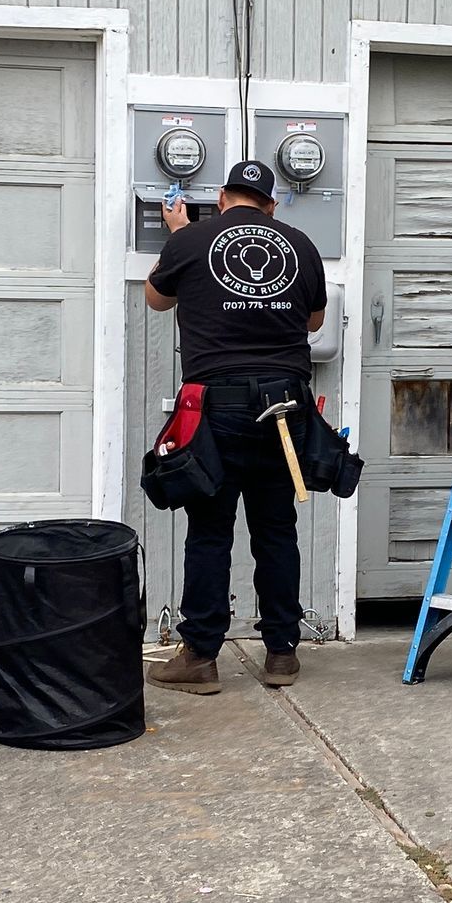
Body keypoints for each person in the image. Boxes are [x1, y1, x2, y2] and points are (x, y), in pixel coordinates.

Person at [143, 157, 327, 694]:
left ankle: (200, 657)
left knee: (209, 531)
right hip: (282, 408)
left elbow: (157, 299)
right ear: (270, 205)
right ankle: (282, 655)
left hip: (214, 409)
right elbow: (314, 321)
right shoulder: (299, 244)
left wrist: (179, 236)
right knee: (275, 531)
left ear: (222, 199)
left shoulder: (190, 238)